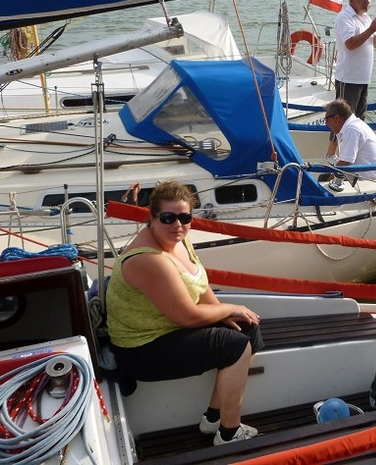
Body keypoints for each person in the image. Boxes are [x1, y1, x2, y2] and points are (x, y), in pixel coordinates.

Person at [106, 181, 263, 446]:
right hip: (142, 349)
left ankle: (213, 418)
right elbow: (187, 317)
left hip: (168, 329)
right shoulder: (150, 259)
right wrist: (230, 308)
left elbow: (201, 289)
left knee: (247, 327)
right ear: (152, 219)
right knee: (233, 345)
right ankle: (229, 432)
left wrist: (225, 313)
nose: (177, 224)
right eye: (168, 218)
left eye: (184, 217)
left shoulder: (178, 239)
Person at [327, 0, 376, 157]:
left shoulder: (365, 18)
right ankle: (331, 156)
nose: (368, 1)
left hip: (363, 78)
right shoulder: (344, 18)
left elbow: (373, 44)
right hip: (348, 78)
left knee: (358, 122)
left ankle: (351, 157)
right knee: (341, 120)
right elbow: (350, 44)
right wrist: (371, 29)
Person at [323, 98, 376, 182]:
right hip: (370, 178)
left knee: (323, 180)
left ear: (336, 117)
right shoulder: (354, 125)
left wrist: (329, 176)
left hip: (372, 182)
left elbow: (345, 163)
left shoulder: (352, 129)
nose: (326, 123)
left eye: (326, 119)